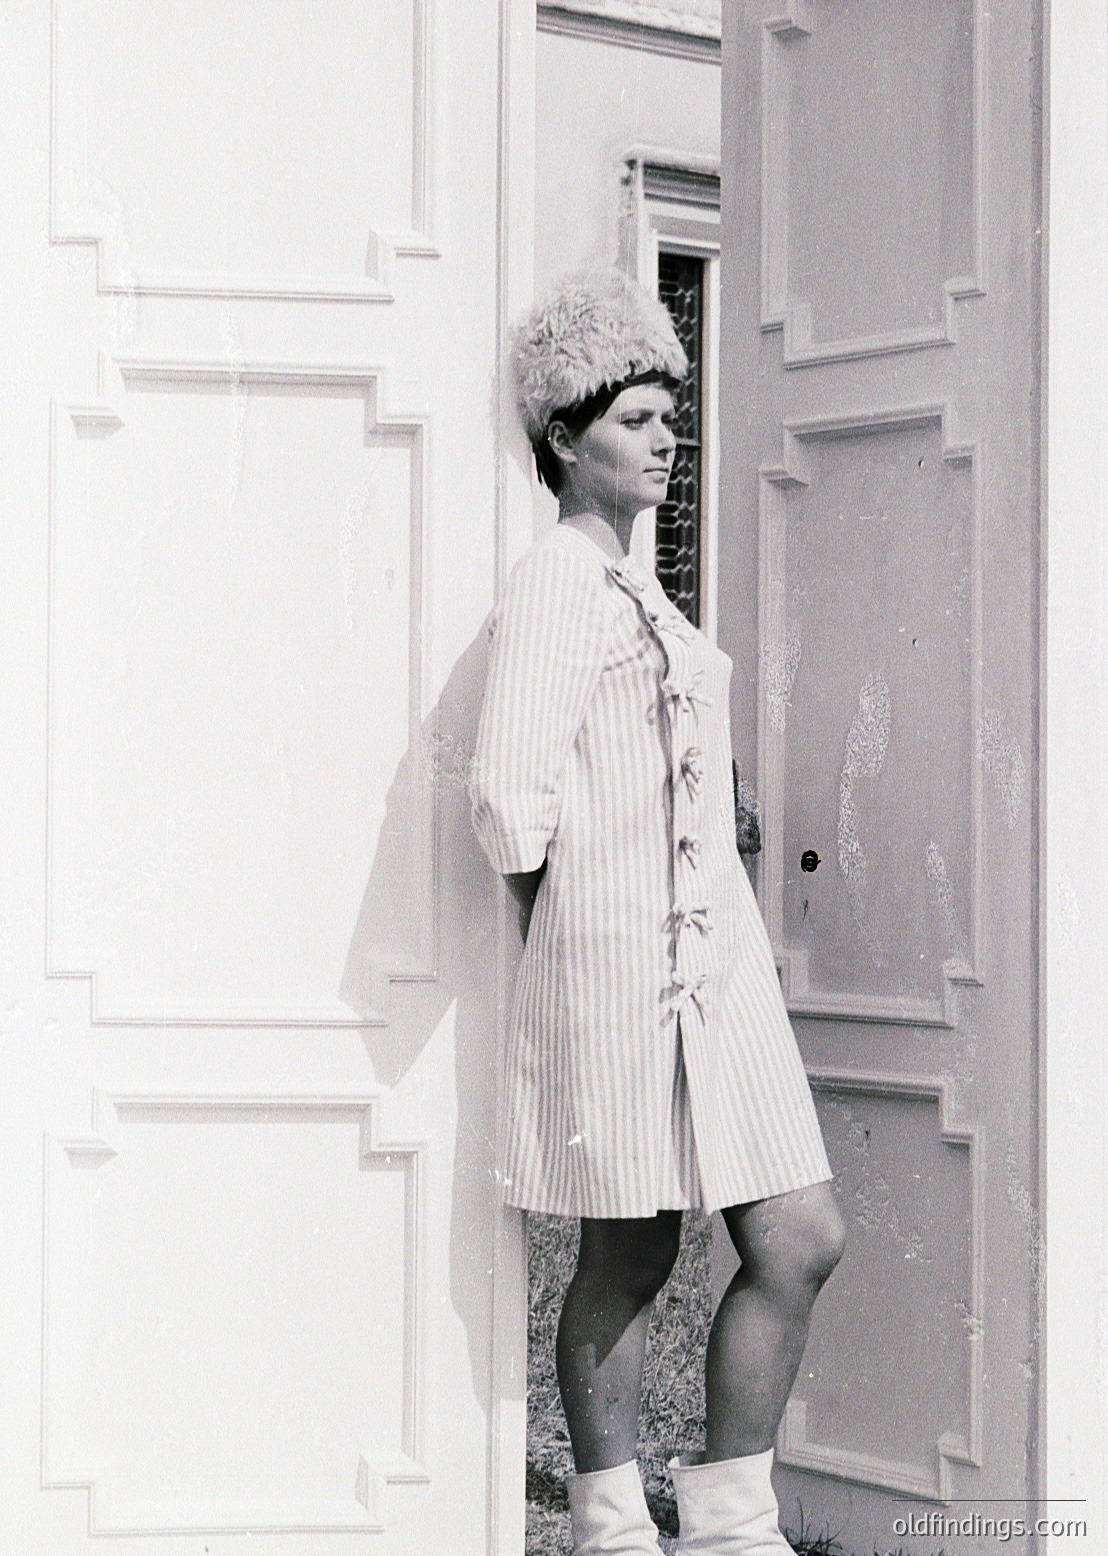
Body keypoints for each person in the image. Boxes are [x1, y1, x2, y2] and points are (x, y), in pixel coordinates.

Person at [468, 269, 845, 1556]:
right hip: (619, 969)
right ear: (566, 438)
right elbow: (509, 801)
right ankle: (618, 1522)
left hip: (717, 967)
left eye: (669, 416)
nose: (666, 438)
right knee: (627, 1255)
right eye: (636, 418)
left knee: (799, 1234)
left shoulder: (643, 588)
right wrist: (575, 953)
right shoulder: (560, 580)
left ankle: (730, 1517)